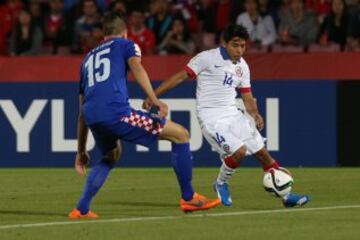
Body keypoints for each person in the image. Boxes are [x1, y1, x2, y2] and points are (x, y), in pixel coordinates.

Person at [68, 13, 220, 219]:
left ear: (103, 35)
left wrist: (81, 150)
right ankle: (189, 197)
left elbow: (82, 110)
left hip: (92, 115)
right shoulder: (126, 44)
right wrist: (154, 98)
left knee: (111, 155)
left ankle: (81, 209)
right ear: (124, 32)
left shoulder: (86, 60)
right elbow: (137, 66)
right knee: (181, 135)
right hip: (116, 112)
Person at [143, 24, 310, 208]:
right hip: (211, 118)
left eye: (243, 46)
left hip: (233, 114)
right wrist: (154, 95)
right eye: (235, 45)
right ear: (225, 43)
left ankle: (286, 197)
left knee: (263, 155)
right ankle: (221, 183)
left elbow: (246, 95)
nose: (239, 50)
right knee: (238, 152)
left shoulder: (243, 67)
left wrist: (255, 114)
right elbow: (180, 76)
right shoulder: (207, 58)